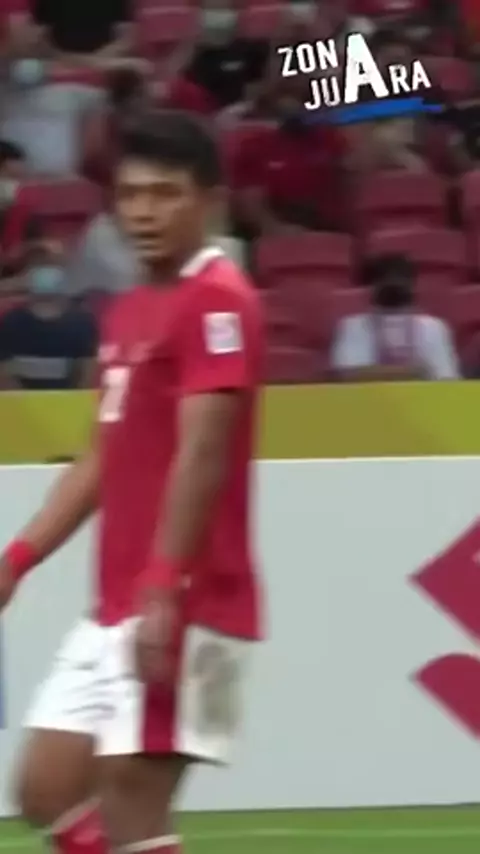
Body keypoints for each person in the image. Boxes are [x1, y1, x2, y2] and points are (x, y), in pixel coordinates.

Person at [0, 109, 264, 854]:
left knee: (131, 809)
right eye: (131, 194)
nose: (144, 212)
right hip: (117, 605)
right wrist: (18, 559)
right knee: (46, 792)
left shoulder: (219, 299)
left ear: (208, 200)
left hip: (189, 601)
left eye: (166, 194)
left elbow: (203, 449)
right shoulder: (128, 310)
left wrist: (163, 583)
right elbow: (102, 457)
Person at [331, 254, 461, 381]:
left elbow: (446, 379)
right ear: (370, 288)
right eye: (386, 281)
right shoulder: (353, 326)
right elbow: (348, 376)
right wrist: (412, 373)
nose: (393, 286)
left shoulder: (433, 327)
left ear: (413, 286)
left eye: (400, 280)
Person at [0, 244, 97, 389]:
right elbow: (4, 376)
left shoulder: (82, 323)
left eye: (53, 266)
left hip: (68, 402)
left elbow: (86, 377)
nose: (47, 273)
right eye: (40, 266)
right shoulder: (11, 322)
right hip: (20, 402)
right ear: (26, 276)